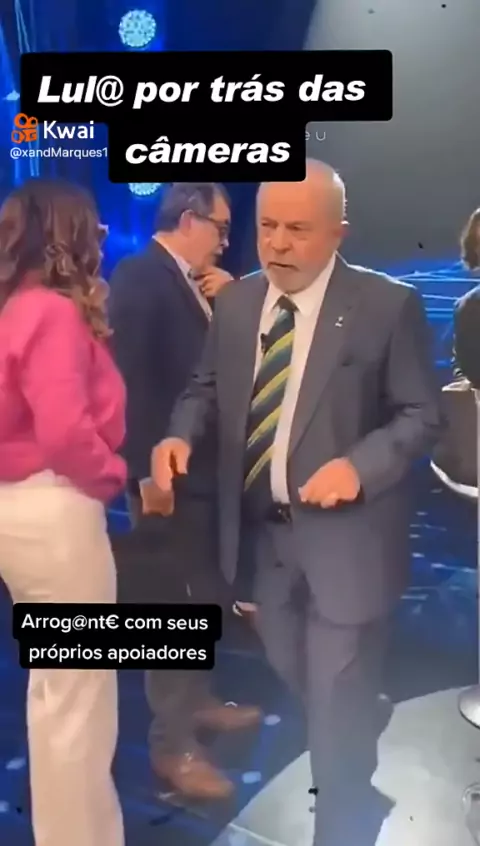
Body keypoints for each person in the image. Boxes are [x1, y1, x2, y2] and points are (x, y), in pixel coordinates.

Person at [152, 161, 442, 845]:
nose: (277, 243)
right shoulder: (237, 304)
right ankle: (354, 734)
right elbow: (204, 386)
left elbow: (422, 415)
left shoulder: (386, 307)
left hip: (347, 544)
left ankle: (342, 820)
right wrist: (178, 433)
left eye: (298, 229)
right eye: (267, 226)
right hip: (262, 545)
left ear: (338, 232)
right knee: (308, 683)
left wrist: (358, 467)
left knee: (334, 706)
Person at [108, 182, 260, 801]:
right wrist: (149, 477)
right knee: (170, 610)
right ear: (190, 219)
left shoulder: (191, 280)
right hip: (164, 479)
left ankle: (196, 701)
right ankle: (173, 748)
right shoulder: (141, 277)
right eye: (221, 228)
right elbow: (130, 388)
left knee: (201, 599)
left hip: (199, 476)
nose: (225, 241)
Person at [0, 180, 126, 846]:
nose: (101, 239)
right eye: (94, 228)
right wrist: (112, 477)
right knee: (79, 703)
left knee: (56, 696)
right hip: (55, 513)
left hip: (17, 511)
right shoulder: (49, 313)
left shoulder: (11, 308)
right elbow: (65, 432)